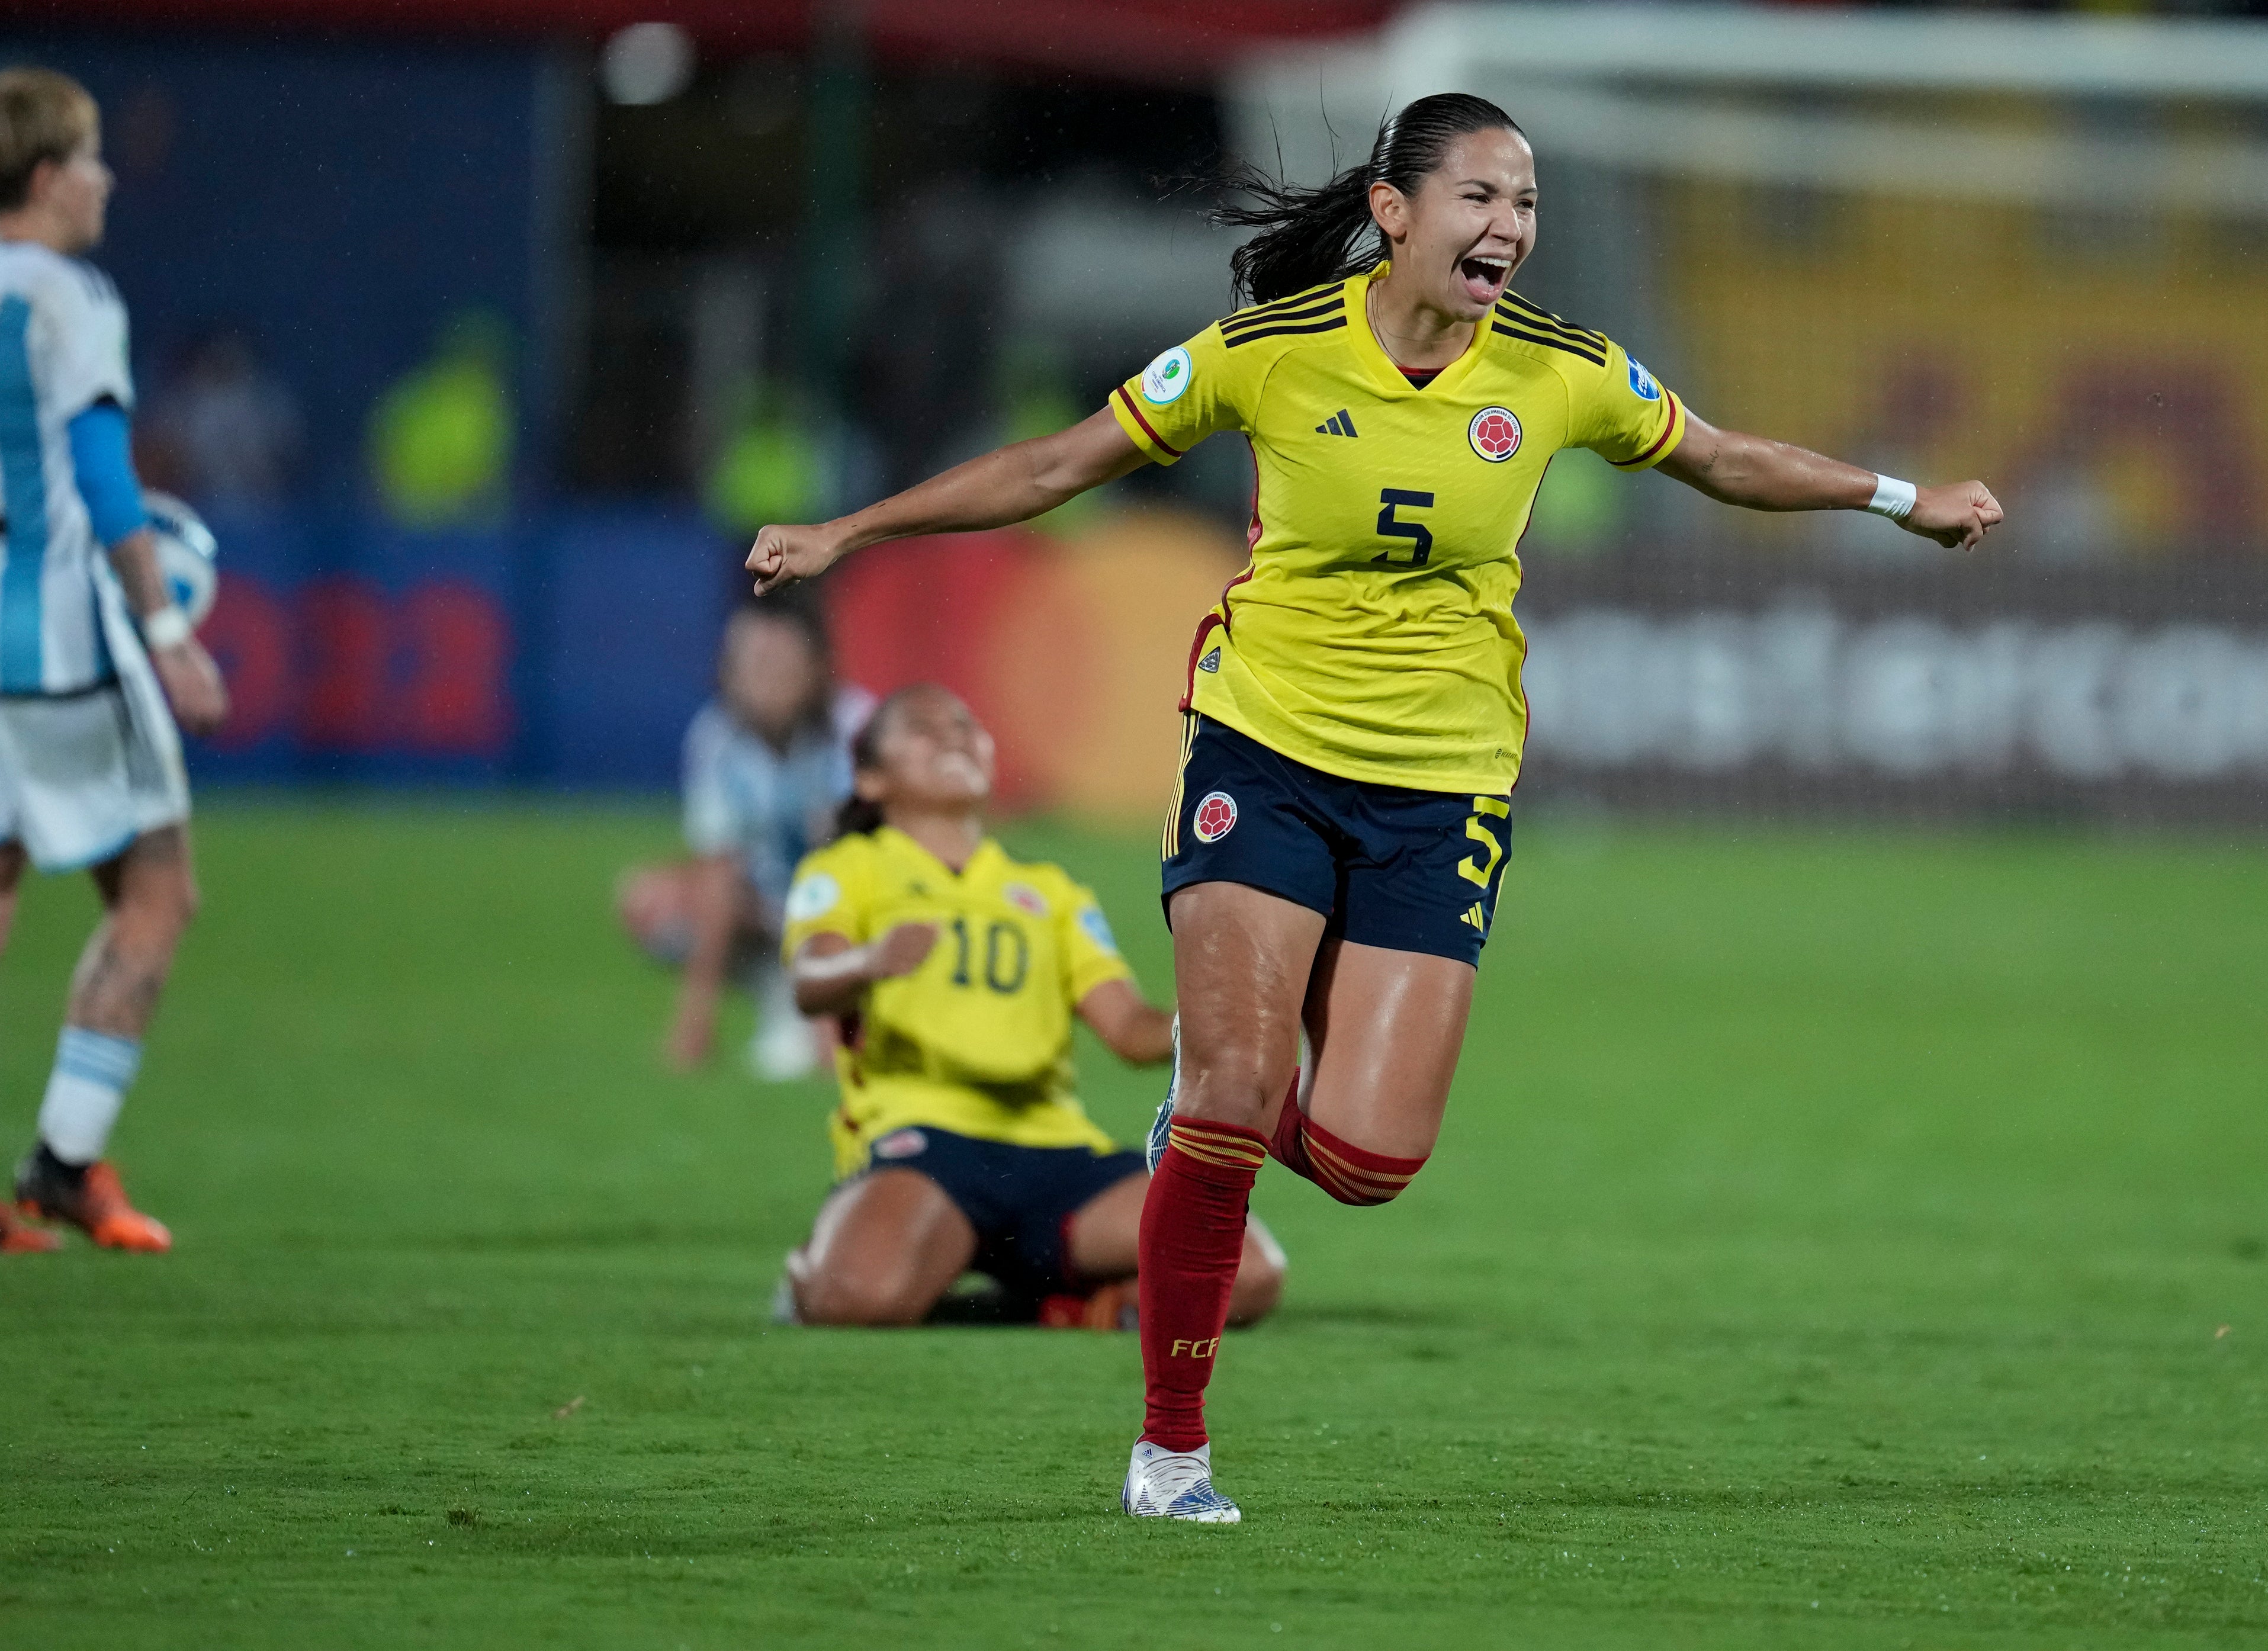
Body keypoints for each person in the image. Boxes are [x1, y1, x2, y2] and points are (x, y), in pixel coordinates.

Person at [744, 92, 2003, 1520]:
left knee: (1366, 1161)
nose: (1510, 227)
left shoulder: (1562, 370)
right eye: (1481, 197)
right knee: (1228, 1099)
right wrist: (849, 530)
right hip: (1263, 753)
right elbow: (1053, 464)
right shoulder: (1266, 353)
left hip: (1445, 788)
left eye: (1525, 204)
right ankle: (1171, 1452)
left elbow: (1718, 456)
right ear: (1394, 213)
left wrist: (1901, 497)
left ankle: (1215, 1104)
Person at [0, 68, 229, 1252]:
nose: (104, 177)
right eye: (87, 157)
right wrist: (168, 633)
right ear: (44, 177)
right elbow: (101, 473)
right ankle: (67, 1162)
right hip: (46, 636)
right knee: (157, 891)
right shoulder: (66, 294)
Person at [776, 682, 1285, 1330]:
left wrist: (1214, 1021)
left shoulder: (1051, 893)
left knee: (1249, 1271)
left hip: (1053, 1151)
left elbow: (1130, 1030)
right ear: (871, 779)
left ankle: (1038, 1302)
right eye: (923, 728)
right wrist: (867, 961)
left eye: (965, 725)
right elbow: (809, 980)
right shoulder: (849, 868)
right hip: (923, 1140)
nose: (953, 736)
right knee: (854, 1299)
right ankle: (825, 1260)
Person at [618, 598, 870, 1079]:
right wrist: (695, 1021)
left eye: (779, 664)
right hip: (773, 915)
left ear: (817, 668)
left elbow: (854, 867)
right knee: (651, 902)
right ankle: (782, 991)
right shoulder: (717, 738)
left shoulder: (857, 730)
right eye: (750, 663)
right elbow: (718, 868)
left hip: (859, 921)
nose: (763, 680)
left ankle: (839, 1010)